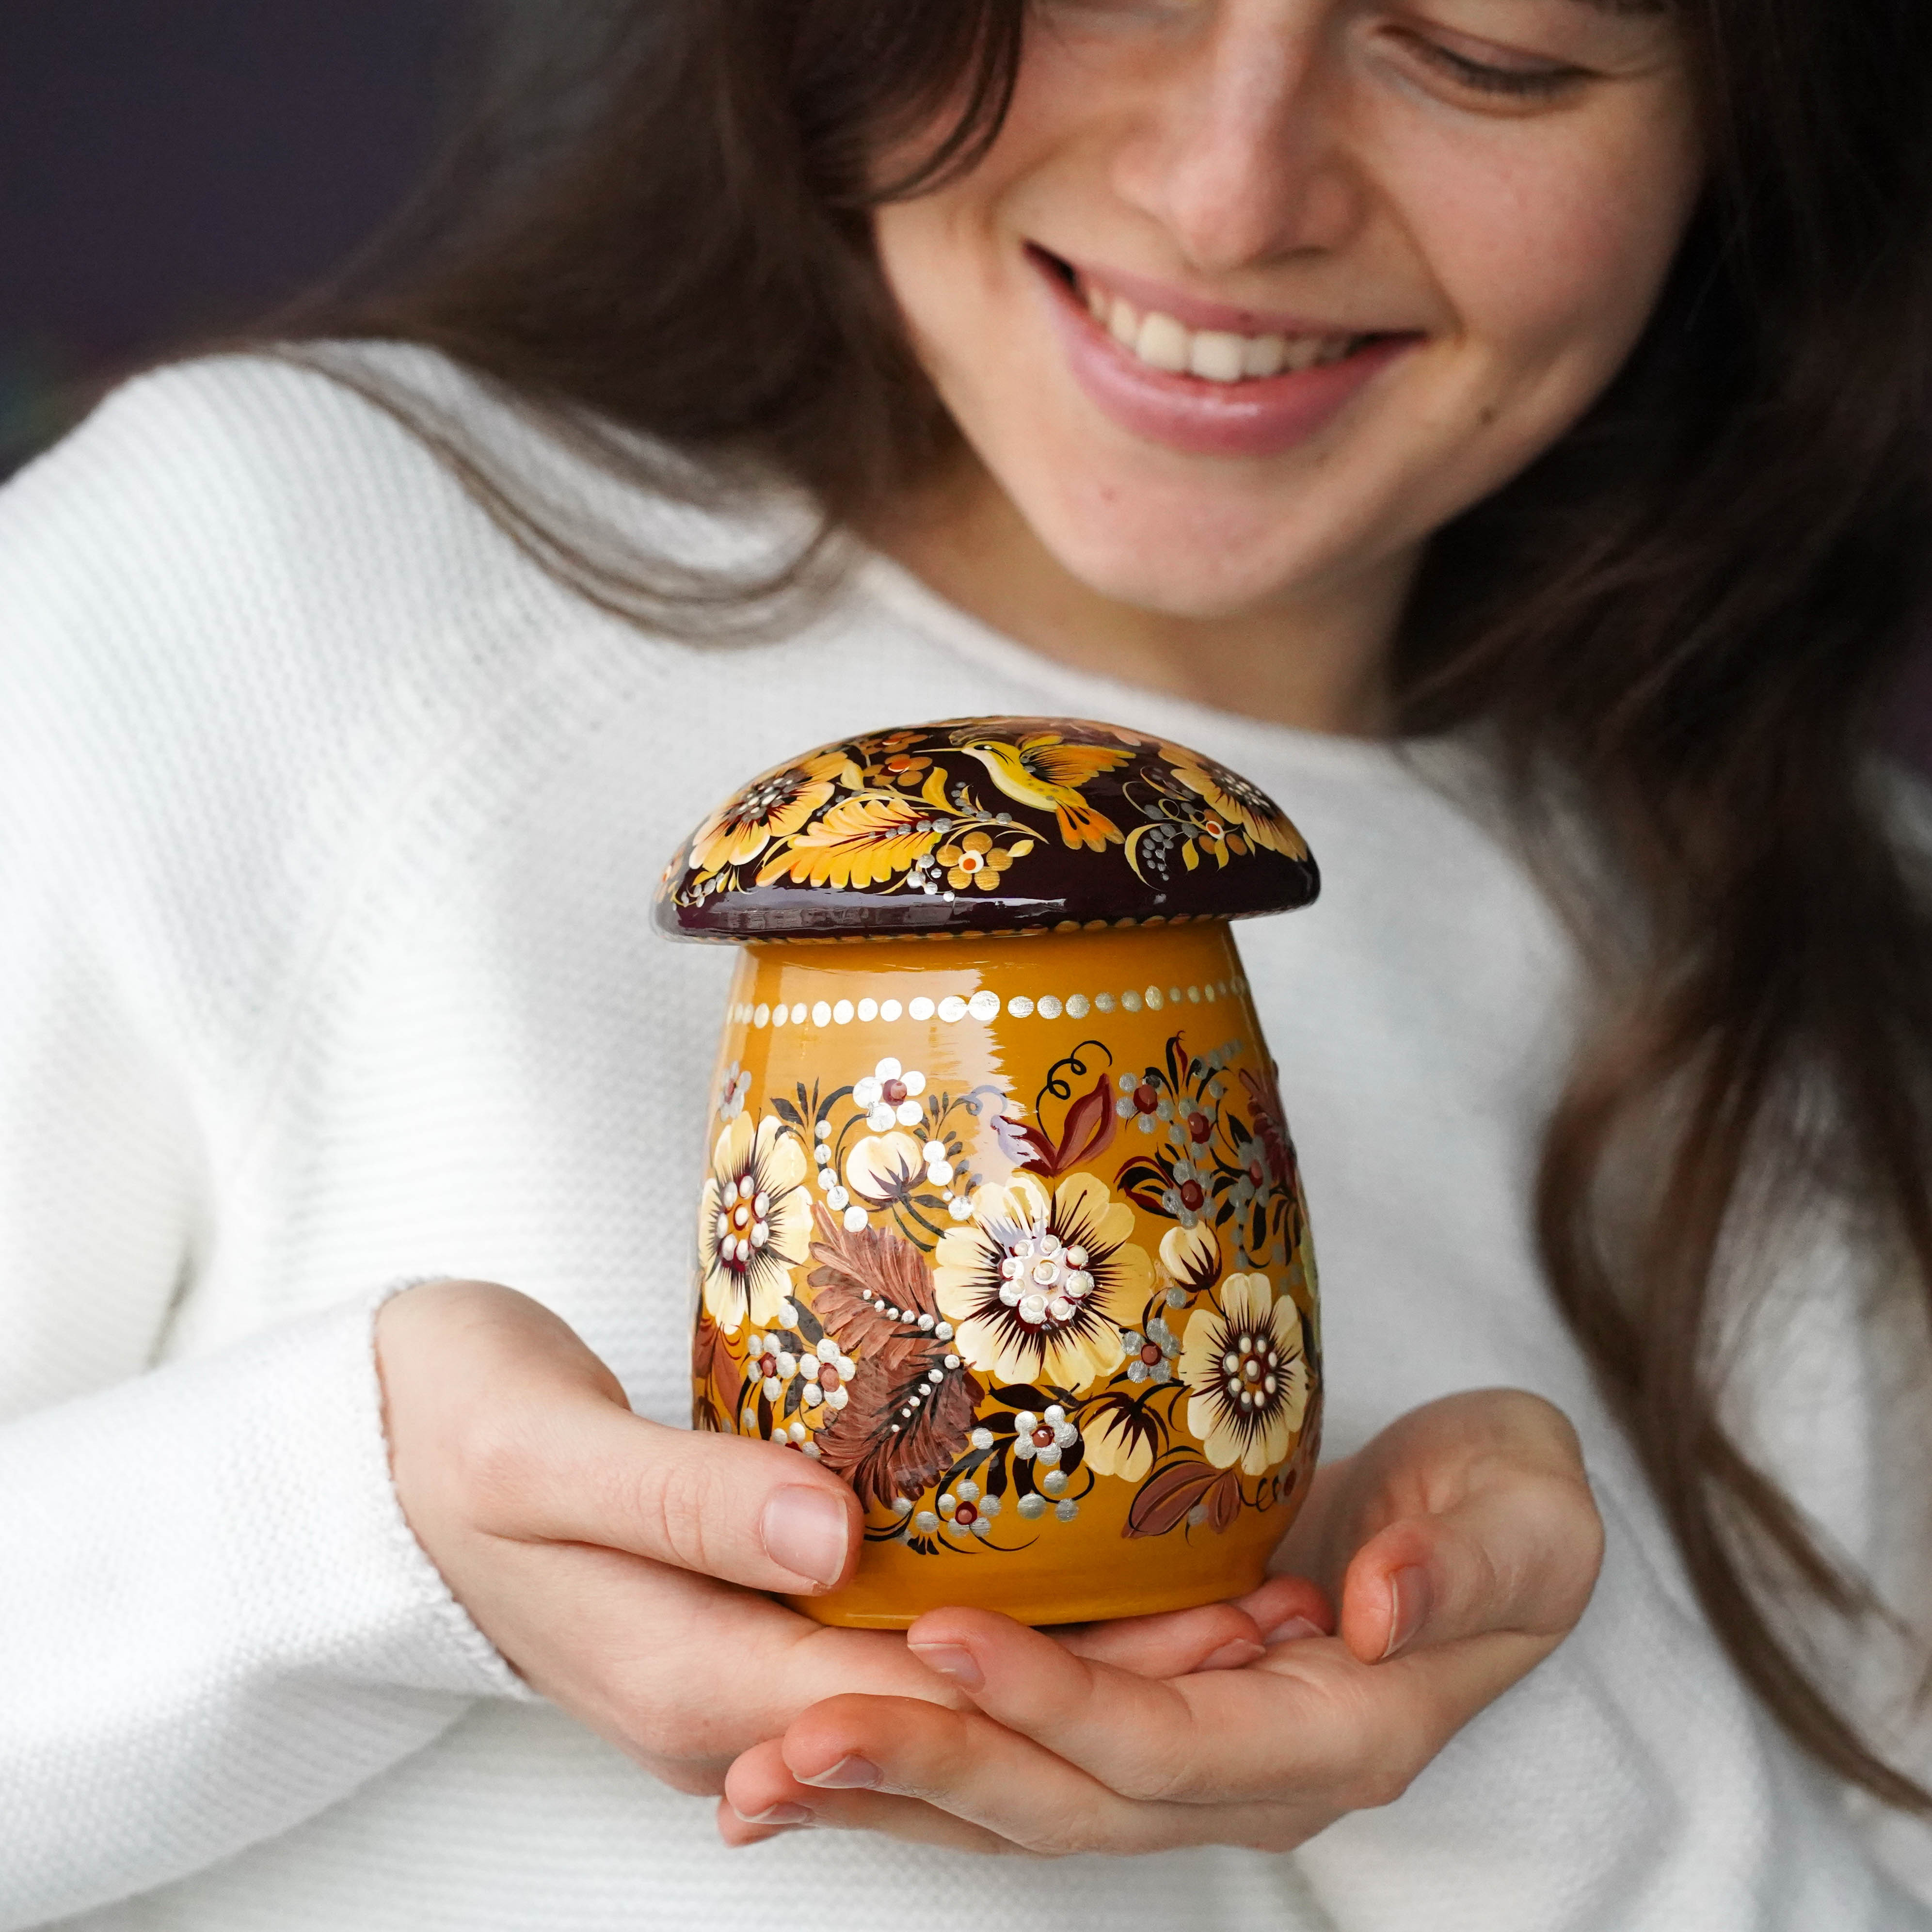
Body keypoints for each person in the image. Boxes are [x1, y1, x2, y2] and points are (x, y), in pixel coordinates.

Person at [2, 0, 1929, 1926]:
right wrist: (345, 1522)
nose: (1228, 194)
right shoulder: (270, 591)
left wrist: (1517, 1714)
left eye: (1482, 49)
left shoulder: (1854, 974)